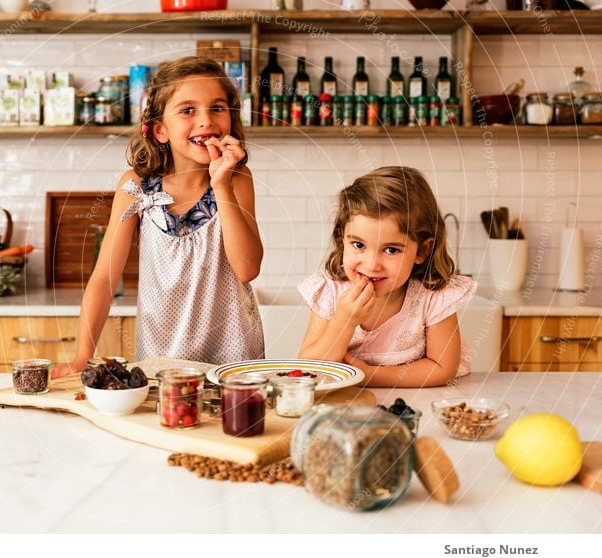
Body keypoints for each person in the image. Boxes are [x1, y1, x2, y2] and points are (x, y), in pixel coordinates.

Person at [52, 56, 264, 378]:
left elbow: (247, 269)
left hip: (232, 358)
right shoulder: (135, 186)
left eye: (217, 108)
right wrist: (83, 354)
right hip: (160, 358)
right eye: (188, 110)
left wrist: (220, 183)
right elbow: (105, 278)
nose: (206, 121)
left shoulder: (236, 179)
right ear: (160, 130)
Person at [298, 166, 476, 387]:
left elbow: (441, 369)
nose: (372, 265)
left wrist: (369, 375)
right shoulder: (330, 293)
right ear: (341, 238)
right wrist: (343, 321)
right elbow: (309, 370)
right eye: (359, 245)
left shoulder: (432, 296)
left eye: (391, 250)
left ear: (421, 251)